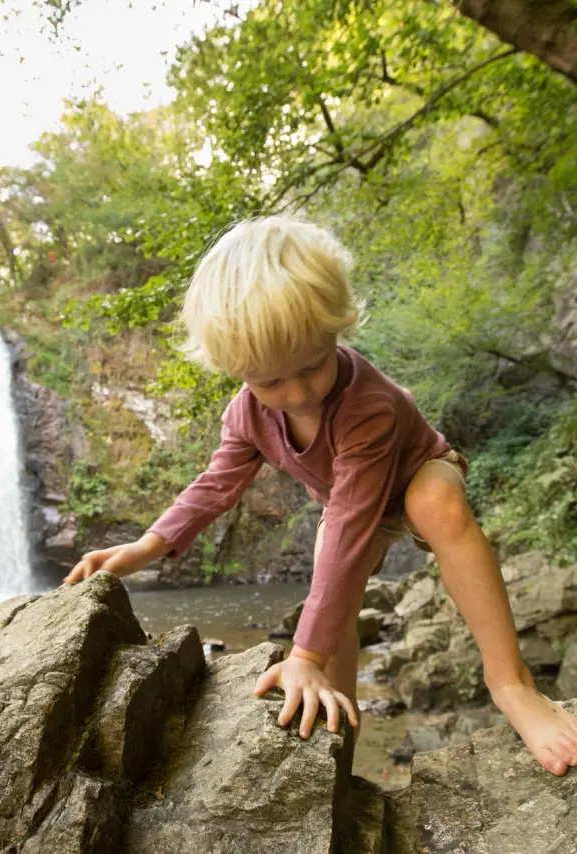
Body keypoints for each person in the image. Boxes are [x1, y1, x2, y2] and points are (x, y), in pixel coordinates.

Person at [64, 215, 577, 776]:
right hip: (348, 507)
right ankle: (340, 732)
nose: (297, 393)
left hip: (413, 475)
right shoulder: (247, 413)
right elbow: (216, 485)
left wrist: (301, 652)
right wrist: (148, 545)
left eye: (311, 366)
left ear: (338, 328)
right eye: (268, 382)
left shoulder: (369, 405)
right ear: (236, 370)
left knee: (430, 506)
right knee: (328, 600)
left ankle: (512, 684)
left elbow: (355, 522)